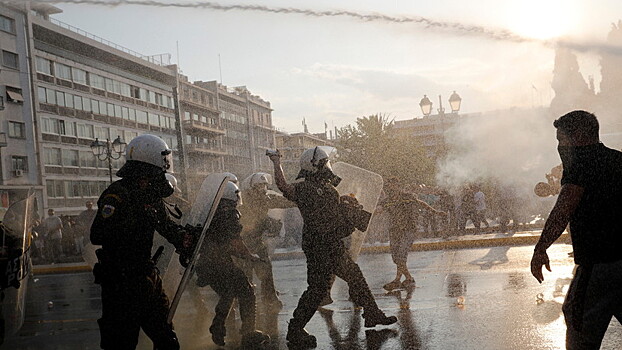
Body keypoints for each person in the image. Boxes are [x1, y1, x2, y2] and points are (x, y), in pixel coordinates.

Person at [268, 147, 397, 348]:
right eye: (323, 163)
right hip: (318, 245)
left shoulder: (329, 188)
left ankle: (373, 313)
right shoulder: (305, 188)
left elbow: (333, 213)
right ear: (313, 166)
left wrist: (347, 205)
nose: (327, 167)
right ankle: (295, 329)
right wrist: (276, 162)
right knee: (318, 289)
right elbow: (284, 186)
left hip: (332, 242)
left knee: (354, 275)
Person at [90, 134, 195, 350]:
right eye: (163, 159)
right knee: (121, 343)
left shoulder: (150, 195)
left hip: (146, 278)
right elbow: (97, 234)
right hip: (121, 282)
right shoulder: (118, 194)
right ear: (150, 161)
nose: (166, 164)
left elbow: (165, 225)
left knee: (167, 340)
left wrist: (182, 238)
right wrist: (132, 222)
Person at [530, 110, 622, 349]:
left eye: (562, 139)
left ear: (579, 136)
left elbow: (564, 209)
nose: (560, 146)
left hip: (598, 262)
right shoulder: (618, 159)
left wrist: (541, 248)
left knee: (578, 319)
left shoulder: (581, 163)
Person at [194, 180, 270, 347]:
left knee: (228, 292)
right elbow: (234, 242)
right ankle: (249, 333)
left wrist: (243, 255)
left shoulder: (210, 211)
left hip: (206, 263)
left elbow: (223, 242)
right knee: (247, 291)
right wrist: (250, 256)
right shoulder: (229, 213)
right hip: (221, 263)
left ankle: (218, 325)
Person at [238, 172, 294, 309]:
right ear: (251, 187)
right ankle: (247, 304)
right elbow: (251, 219)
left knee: (266, 269)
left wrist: (299, 201)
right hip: (242, 243)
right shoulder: (242, 199)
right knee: (245, 275)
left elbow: (282, 201)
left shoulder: (264, 198)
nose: (262, 189)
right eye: (259, 186)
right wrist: (268, 222)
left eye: (264, 185)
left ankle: (269, 297)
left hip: (257, 242)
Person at [380, 177, 445, 291]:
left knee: (401, 255)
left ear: (398, 185)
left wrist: (435, 212)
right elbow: (379, 209)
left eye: (393, 185)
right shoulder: (387, 200)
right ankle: (407, 278)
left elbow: (421, 203)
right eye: (390, 185)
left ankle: (398, 279)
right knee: (396, 257)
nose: (392, 187)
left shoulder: (407, 197)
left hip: (408, 230)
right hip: (395, 231)